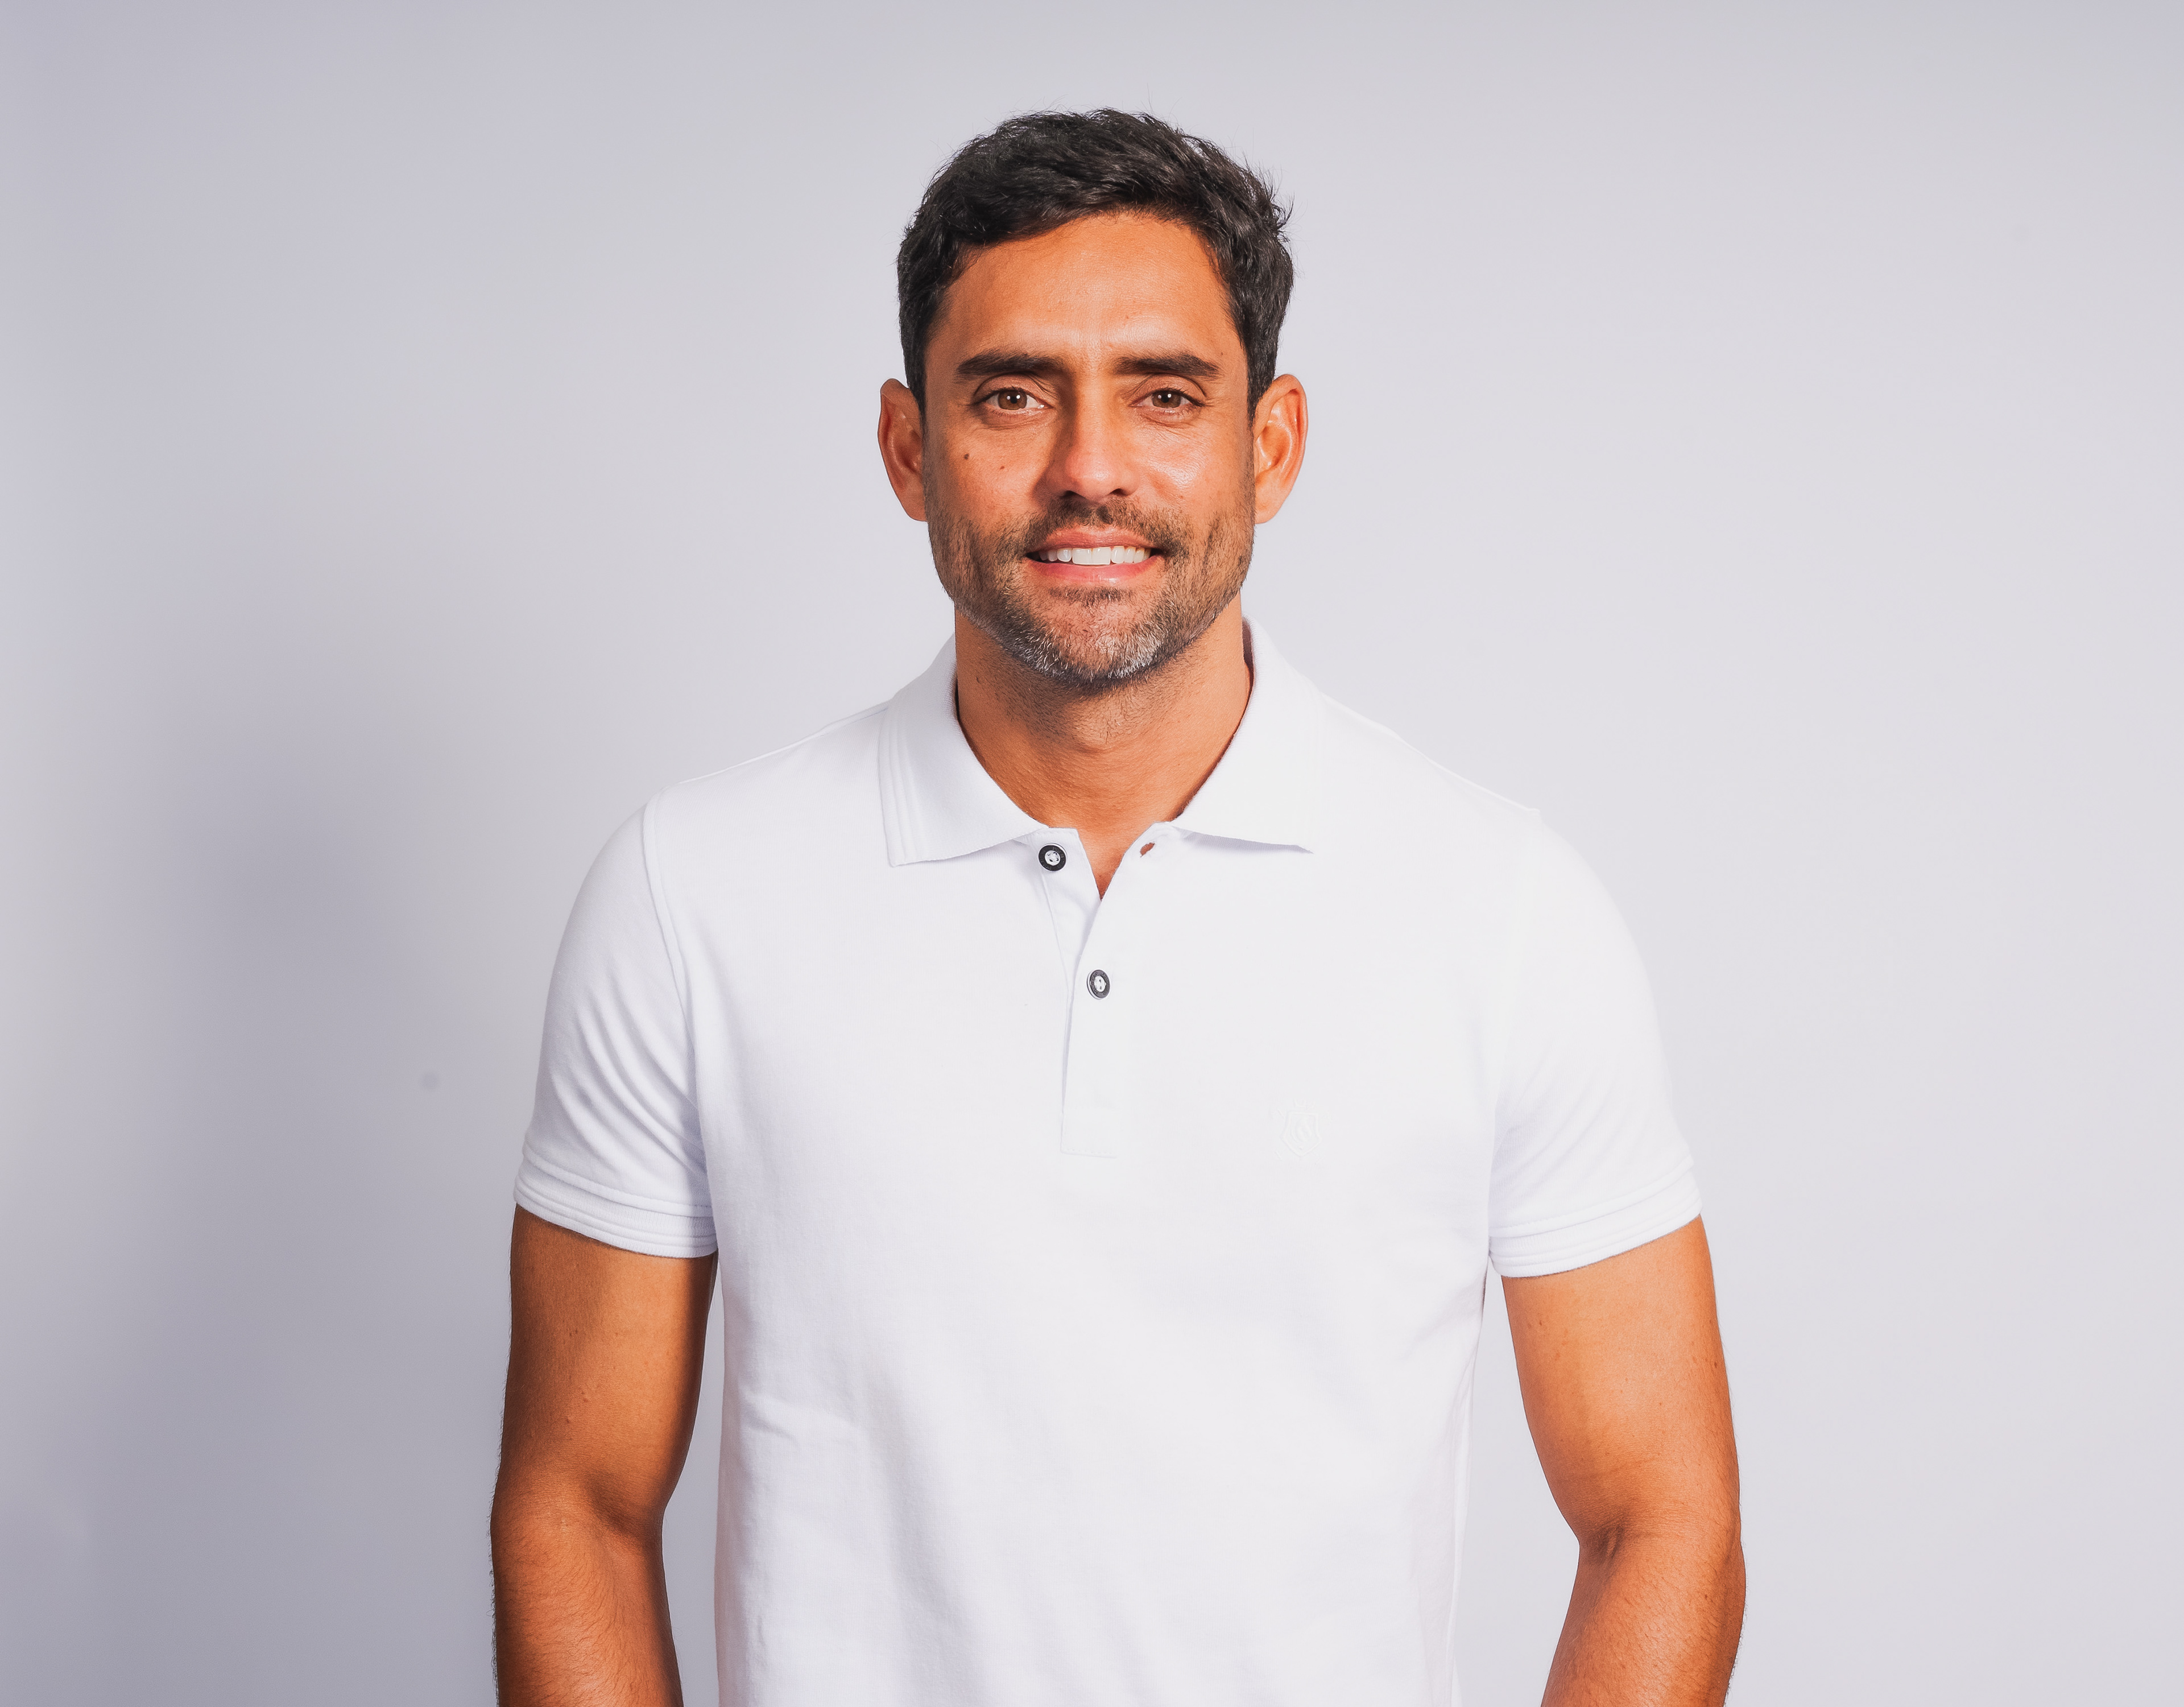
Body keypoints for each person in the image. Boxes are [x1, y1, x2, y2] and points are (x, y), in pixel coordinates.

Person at [489, 109, 1743, 1707]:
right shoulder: (693, 897)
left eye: (1164, 395)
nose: (1090, 468)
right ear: (908, 449)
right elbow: (575, 1504)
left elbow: (1664, 1516)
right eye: (1014, 395)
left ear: (1270, 445)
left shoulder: (1501, 912)